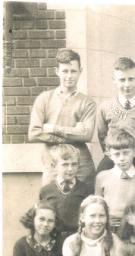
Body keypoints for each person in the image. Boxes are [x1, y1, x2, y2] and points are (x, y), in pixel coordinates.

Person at [28, 48, 97, 188]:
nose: (69, 76)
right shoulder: (44, 99)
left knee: (82, 205)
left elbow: (86, 135)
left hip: (81, 166)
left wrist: (53, 128)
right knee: (51, 204)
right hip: (53, 164)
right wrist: (74, 132)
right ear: (57, 71)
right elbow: (34, 134)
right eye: (65, 71)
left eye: (73, 71)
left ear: (80, 71)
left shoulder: (87, 102)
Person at [96, 56, 135, 175]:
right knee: (99, 176)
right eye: (122, 80)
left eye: (131, 79)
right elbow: (102, 135)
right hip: (114, 157)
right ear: (114, 80)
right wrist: (113, 153)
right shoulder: (105, 107)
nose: (127, 84)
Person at [95, 128, 135, 234]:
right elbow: (98, 205)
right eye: (117, 154)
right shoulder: (102, 177)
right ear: (109, 154)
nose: (122, 158)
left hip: (134, 227)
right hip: (109, 227)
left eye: (126, 153)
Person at [38, 144, 92, 236]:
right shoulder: (46, 191)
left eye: (74, 164)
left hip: (78, 238)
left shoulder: (85, 190)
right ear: (54, 166)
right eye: (65, 165)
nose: (70, 169)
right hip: (54, 239)